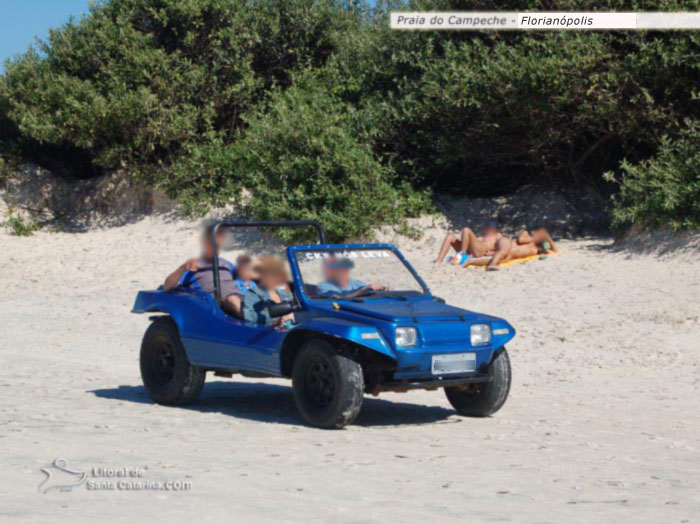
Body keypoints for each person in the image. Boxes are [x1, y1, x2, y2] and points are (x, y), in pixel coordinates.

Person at [163, 225, 244, 316]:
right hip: (215, 300)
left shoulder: (225, 263)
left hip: (239, 295)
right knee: (233, 299)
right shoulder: (193, 264)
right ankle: (254, 324)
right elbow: (167, 286)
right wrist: (182, 268)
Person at [464, 227, 557, 270]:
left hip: (511, 255)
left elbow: (552, 250)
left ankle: (470, 262)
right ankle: (492, 264)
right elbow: (521, 240)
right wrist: (536, 237)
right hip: (506, 243)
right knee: (503, 253)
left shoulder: (537, 249)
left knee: (501, 259)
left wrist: (547, 236)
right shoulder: (526, 234)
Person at [242, 256, 295, 328]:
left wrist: (294, 315)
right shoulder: (253, 293)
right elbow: (249, 316)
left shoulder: (285, 293)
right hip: (270, 332)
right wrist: (276, 321)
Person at [434, 221, 503, 265]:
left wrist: (492, 253)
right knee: (450, 236)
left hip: (480, 252)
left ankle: (462, 254)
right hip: (471, 251)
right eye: (487, 227)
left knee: (466, 230)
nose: (488, 229)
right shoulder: (484, 234)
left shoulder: (498, 236)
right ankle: (439, 261)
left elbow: (504, 249)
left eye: (490, 227)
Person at [315, 257, 387, 298]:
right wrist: (363, 290)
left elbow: (369, 290)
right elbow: (338, 301)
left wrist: (384, 289)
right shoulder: (323, 286)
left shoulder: (356, 283)